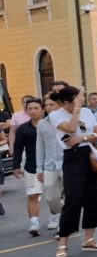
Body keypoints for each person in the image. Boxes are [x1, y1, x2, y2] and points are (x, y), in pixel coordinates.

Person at [49, 85, 97, 257]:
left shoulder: (87, 112)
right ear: (66, 101)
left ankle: (89, 238)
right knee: (73, 199)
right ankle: (63, 244)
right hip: (72, 157)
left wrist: (83, 138)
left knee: (94, 197)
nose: (81, 100)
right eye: (78, 98)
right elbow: (71, 128)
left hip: (90, 154)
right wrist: (76, 110)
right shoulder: (55, 114)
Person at [11, 98, 44, 236]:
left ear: (42, 109)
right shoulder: (23, 129)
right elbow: (18, 148)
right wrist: (16, 166)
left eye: (36, 108)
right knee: (32, 195)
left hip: (50, 166)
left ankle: (56, 218)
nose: (33, 111)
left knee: (54, 196)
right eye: (30, 109)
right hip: (31, 167)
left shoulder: (51, 125)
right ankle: (34, 222)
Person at [36, 96, 64, 231]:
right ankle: (57, 214)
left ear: (59, 105)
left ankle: (64, 221)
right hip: (49, 164)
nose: (48, 107)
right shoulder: (42, 124)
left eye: (51, 104)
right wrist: (39, 168)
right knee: (51, 196)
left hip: (66, 163)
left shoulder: (66, 120)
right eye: (46, 105)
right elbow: (40, 147)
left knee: (69, 194)